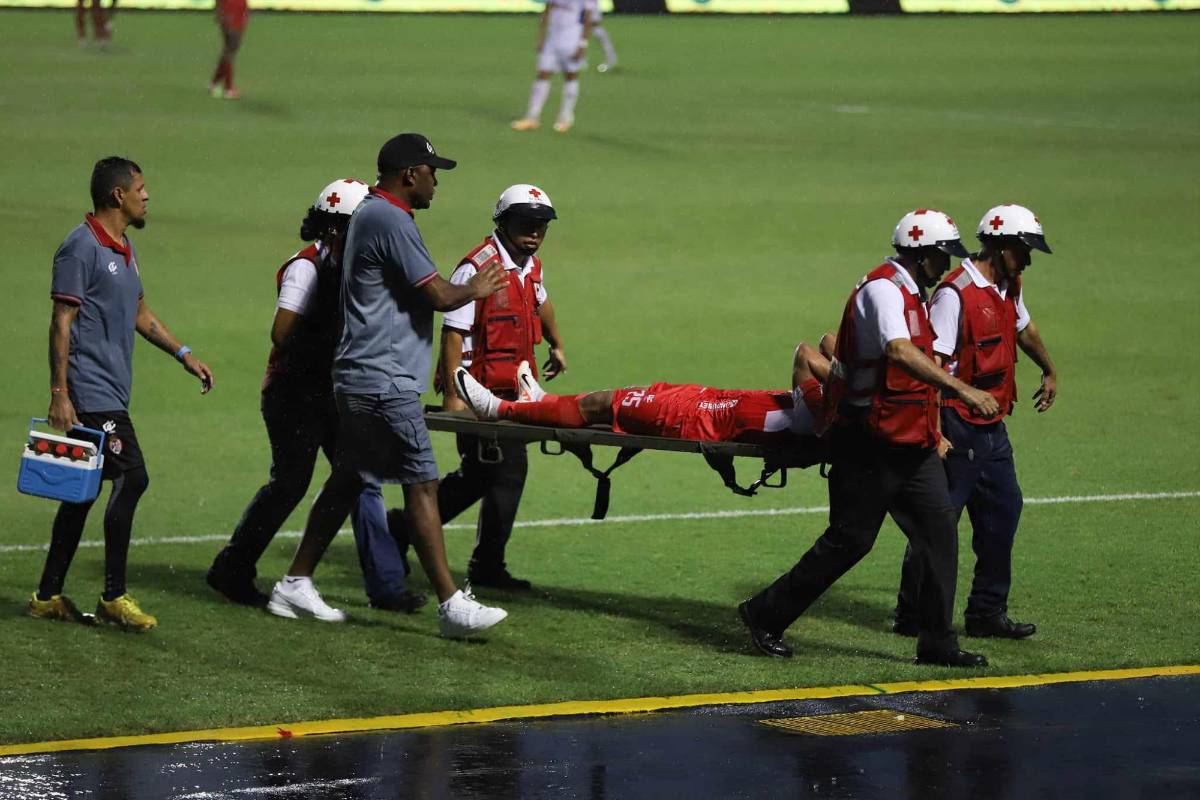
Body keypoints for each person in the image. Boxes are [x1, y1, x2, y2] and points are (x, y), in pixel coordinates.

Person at [267, 133, 510, 638]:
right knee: (422, 482)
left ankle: (295, 580)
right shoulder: (390, 219)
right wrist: (476, 288)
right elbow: (440, 294)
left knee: (350, 478)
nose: (436, 182)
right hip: (383, 377)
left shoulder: (375, 216)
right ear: (409, 175)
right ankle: (451, 605)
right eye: (432, 172)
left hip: (365, 373)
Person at [738, 209, 1001, 666]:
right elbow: (898, 352)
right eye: (943, 257)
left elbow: (915, 377)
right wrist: (961, 389)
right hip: (866, 441)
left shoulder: (913, 292)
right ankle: (764, 613)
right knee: (850, 541)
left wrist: (934, 432)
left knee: (939, 533)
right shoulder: (883, 290)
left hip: (910, 443)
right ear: (923, 255)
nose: (947, 266)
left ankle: (937, 641)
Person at [207, 179, 425, 615]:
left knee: (362, 477)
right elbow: (281, 332)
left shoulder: (358, 268)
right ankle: (232, 568)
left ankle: (385, 586)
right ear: (332, 228)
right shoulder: (305, 268)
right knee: (290, 483)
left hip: (337, 392)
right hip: (294, 394)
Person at [29, 156, 215, 632]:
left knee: (82, 493)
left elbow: (138, 311)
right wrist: (59, 392)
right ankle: (114, 595)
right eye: (141, 188)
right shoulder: (80, 247)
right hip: (90, 393)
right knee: (133, 477)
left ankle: (47, 596)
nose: (147, 195)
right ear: (119, 195)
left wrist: (183, 353)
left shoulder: (124, 249)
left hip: (112, 389)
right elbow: (61, 322)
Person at [892, 204, 1057, 640]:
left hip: (992, 427)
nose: (1029, 259)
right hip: (954, 423)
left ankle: (986, 613)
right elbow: (931, 367)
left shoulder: (1008, 285)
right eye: (1024, 250)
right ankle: (913, 614)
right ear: (1001, 246)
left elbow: (1023, 328)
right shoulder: (955, 294)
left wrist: (1048, 367)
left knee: (1004, 511)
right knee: (938, 522)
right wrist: (936, 431)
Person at [421, 184, 567, 591]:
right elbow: (453, 332)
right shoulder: (478, 267)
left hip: (511, 392)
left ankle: (417, 537)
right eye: (526, 223)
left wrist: (556, 342)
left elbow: (541, 300)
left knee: (486, 474)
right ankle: (410, 533)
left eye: (541, 225)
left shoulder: (528, 265)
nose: (535, 232)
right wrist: (452, 395)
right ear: (502, 222)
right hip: (476, 390)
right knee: (498, 472)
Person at [452, 337, 833, 445]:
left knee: (607, 404)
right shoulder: (828, 403)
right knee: (616, 396)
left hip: (702, 420)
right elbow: (829, 340)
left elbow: (805, 353)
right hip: (715, 402)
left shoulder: (825, 411)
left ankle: (499, 410)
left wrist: (849, 372)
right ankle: (541, 402)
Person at [511, 0, 594, 133]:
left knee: (570, 76)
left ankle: (565, 118)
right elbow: (547, 9)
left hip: (572, 38)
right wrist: (541, 35)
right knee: (542, 74)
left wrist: (583, 44)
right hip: (552, 37)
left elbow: (588, 17)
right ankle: (532, 117)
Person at [209, 0, 248, 100]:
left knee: (229, 49)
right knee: (230, 50)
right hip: (232, 14)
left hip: (233, 13)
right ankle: (228, 88)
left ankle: (214, 83)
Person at [586, 0, 618, 73]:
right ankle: (611, 63)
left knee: (606, 44)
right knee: (577, 45)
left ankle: (611, 63)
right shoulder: (588, 3)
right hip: (589, 27)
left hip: (595, 27)